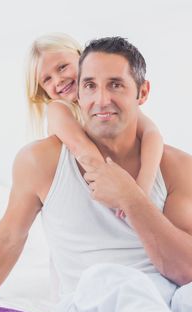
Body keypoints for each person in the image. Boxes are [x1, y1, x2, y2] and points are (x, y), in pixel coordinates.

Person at [0, 36, 192, 312]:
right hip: (97, 294)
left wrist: (131, 196)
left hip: (172, 291)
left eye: (116, 85)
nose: (102, 99)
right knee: (114, 282)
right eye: (90, 85)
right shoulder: (40, 160)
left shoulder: (178, 165)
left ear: (142, 92)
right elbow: (10, 235)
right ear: (79, 92)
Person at [26, 33, 164, 215]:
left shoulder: (107, 102)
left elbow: (151, 134)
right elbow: (84, 151)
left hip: (118, 187)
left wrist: (143, 188)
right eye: (47, 79)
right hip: (88, 198)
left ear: (81, 58)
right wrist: (124, 193)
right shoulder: (57, 109)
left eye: (62, 67)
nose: (58, 80)